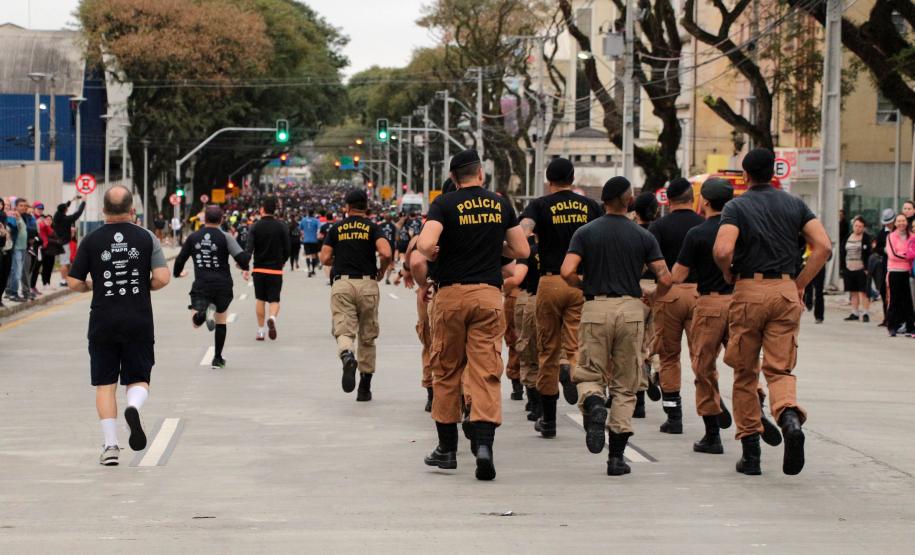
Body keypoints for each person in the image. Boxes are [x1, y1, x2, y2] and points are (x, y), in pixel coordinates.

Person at [713, 148, 831, 476]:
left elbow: (723, 248)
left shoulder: (737, 206)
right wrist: (801, 282)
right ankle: (789, 417)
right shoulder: (795, 204)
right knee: (779, 369)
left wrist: (728, 273)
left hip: (749, 289)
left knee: (745, 371)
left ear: (746, 175)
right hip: (785, 289)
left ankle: (751, 452)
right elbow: (824, 246)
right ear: (774, 173)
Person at [417, 149, 529, 481]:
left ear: (453, 178)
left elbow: (424, 246)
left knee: (447, 370)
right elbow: (522, 251)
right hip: (489, 295)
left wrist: (433, 248)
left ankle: (447, 450)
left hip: (451, 295)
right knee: (485, 370)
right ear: (481, 173)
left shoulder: (444, 204)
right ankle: (483, 446)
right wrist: (497, 245)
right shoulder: (500, 204)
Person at [560, 176, 672, 476]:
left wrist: (586, 283)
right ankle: (616, 458)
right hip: (631, 309)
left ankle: (594, 403)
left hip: (596, 307)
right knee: (626, 384)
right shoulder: (643, 236)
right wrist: (651, 295)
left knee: (588, 372)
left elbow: (567, 271)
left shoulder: (585, 233)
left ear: (603, 201)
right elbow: (666, 278)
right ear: (628, 200)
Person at [67, 186, 170, 466]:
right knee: (139, 377)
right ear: (132, 210)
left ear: (103, 211)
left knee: (105, 384)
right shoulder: (147, 237)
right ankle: (134, 407)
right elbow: (162, 277)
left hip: (103, 320)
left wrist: (92, 285)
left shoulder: (90, 240)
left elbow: (74, 281)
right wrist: (142, 286)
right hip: (138, 318)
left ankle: (111, 446)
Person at [519, 158, 602, 439]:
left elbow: (524, 231)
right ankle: (589, 402)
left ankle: (549, 420)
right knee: (577, 347)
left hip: (551, 281)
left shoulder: (539, 206)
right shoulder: (591, 206)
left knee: (547, 351)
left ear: (548, 178)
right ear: (573, 177)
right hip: (580, 282)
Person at [669, 178, 737, 454]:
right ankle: (757, 407)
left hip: (708, 303)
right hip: (739, 302)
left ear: (704, 202)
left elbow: (678, 275)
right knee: (746, 366)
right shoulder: (738, 231)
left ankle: (712, 435)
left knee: (703, 366)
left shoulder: (697, 234)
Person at [320, 189, 392, 401]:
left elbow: (324, 258)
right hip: (367, 283)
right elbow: (386, 252)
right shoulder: (372, 227)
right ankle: (364, 388)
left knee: (344, 329)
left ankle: (347, 355)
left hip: (343, 283)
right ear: (365, 206)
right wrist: (382, 270)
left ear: (347, 207)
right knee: (367, 336)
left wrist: (339, 258)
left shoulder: (336, 228)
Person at [648, 178, 705, 433]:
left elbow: (648, 261)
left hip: (669, 292)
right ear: (692, 198)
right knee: (702, 356)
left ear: (667, 200)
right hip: (699, 294)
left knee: (669, 356)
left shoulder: (658, 227)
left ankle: (674, 415)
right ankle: (711, 408)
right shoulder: (704, 225)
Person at [173, 205, 251, 368]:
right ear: (222, 219)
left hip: (202, 284)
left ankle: (203, 313)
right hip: (223, 285)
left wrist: (177, 273)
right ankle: (217, 358)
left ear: (204, 219)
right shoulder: (226, 237)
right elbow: (243, 259)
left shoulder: (193, 237)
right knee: (221, 321)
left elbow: (180, 259)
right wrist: (242, 264)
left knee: (195, 324)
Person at [245, 196, 290, 341]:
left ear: (262, 209)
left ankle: (260, 331)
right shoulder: (282, 226)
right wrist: (282, 261)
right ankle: (272, 318)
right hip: (275, 270)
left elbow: (249, 249)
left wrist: (245, 267)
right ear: (275, 210)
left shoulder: (255, 226)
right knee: (274, 300)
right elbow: (288, 249)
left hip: (259, 270)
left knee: (260, 299)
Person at [885, 213, 914, 336]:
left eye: (903, 221)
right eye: (899, 221)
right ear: (895, 223)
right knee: (894, 300)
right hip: (895, 272)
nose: (901, 223)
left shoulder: (911, 236)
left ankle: (910, 326)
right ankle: (892, 326)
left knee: (908, 301)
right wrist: (907, 256)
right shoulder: (891, 237)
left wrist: (907, 255)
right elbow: (892, 255)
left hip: (907, 272)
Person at [841, 216, 873, 322]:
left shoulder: (866, 238)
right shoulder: (847, 237)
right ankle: (854, 312)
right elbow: (843, 252)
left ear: (863, 227)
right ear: (853, 226)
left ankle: (865, 313)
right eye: (856, 226)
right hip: (849, 268)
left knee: (863, 292)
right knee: (853, 291)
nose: (858, 228)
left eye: (860, 226)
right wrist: (843, 267)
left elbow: (869, 254)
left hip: (861, 268)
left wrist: (867, 268)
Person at [5, 198, 33, 302]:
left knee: (19, 271)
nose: (24, 207)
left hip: (23, 248)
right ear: (15, 206)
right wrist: (16, 218)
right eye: (21, 205)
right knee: (16, 272)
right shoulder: (12, 216)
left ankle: (13, 292)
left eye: (25, 205)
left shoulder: (24, 217)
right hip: (16, 248)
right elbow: (11, 228)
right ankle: (13, 293)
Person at [53, 196, 85, 287]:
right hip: (64, 243)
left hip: (60, 241)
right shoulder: (65, 219)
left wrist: (72, 200)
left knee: (66, 262)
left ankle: (67, 279)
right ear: (66, 210)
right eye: (67, 208)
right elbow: (78, 213)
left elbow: (64, 206)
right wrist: (83, 202)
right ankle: (63, 280)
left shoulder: (57, 215)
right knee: (64, 262)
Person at [874, 209, 895, 326]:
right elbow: (877, 248)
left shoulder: (898, 231)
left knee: (894, 293)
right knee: (883, 291)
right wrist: (884, 250)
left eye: (890, 222)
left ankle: (894, 318)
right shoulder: (882, 233)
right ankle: (886, 317)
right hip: (885, 264)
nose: (888, 225)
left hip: (897, 266)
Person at [299, 210, 321, 276]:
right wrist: (317, 235)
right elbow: (319, 229)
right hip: (314, 240)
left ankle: (309, 269)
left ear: (308, 213)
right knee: (314, 255)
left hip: (306, 240)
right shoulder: (316, 220)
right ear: (313, 213)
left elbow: (301, 229)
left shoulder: (303, 220)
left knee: (308, 255)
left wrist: (303, 236)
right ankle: (313, 270)